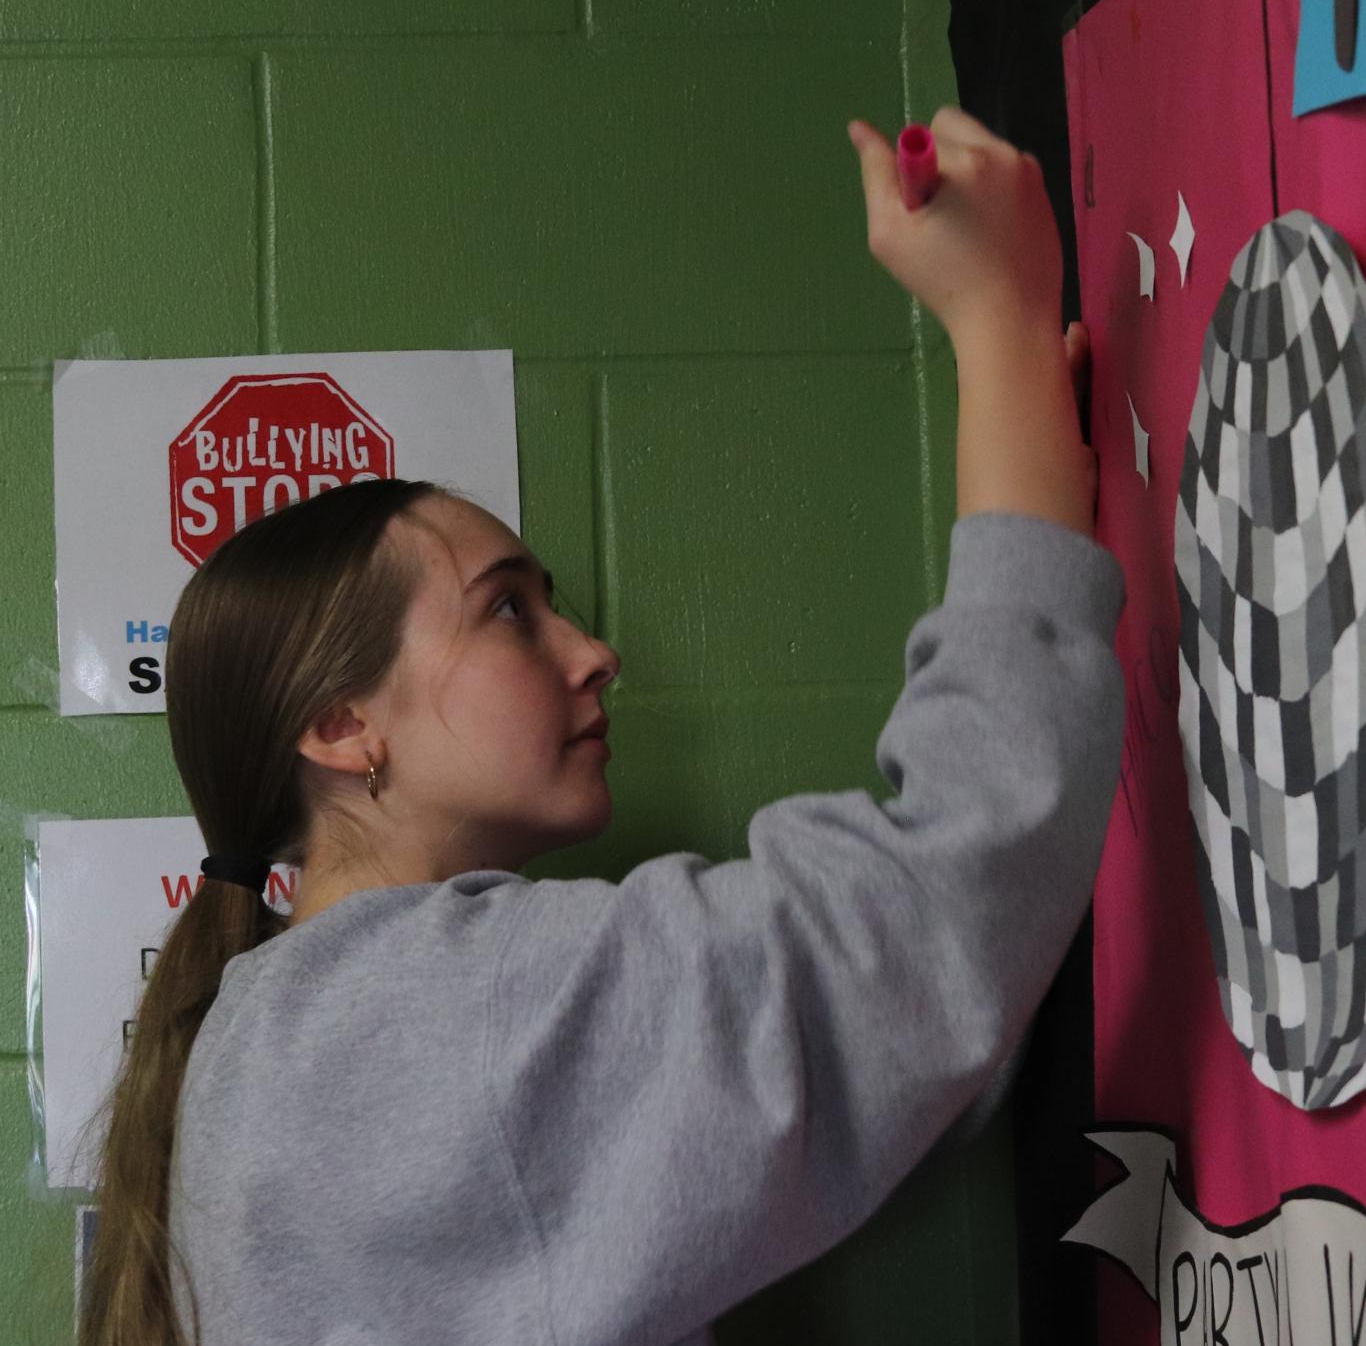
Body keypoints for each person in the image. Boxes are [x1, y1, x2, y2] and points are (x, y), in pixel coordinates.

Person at [76, 107, 1124, 1346]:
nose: (593, 653)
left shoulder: (269, 1044)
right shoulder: (432, 1016)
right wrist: (996, 325)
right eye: (510, 612)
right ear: (344, 723)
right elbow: (944, 908)